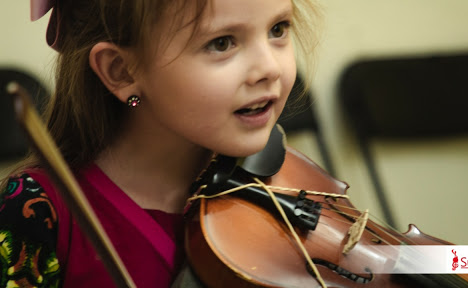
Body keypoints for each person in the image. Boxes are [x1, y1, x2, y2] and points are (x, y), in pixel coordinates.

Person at [0, 0, 320, 286]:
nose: (270, 68)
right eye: (221, 43)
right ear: (121, 71)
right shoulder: (36, 213)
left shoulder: (272, 178)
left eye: (277, 29)